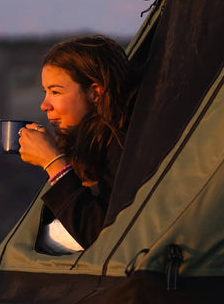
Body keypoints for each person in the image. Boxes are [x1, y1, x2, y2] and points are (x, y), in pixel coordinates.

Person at [17, 35, 135, 253]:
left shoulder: (127, 143)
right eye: (45, 92)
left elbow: (102, 234)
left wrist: (53, 164)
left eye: (56, 92)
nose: (44, 105)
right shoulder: (87, 142)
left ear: (95, 93)